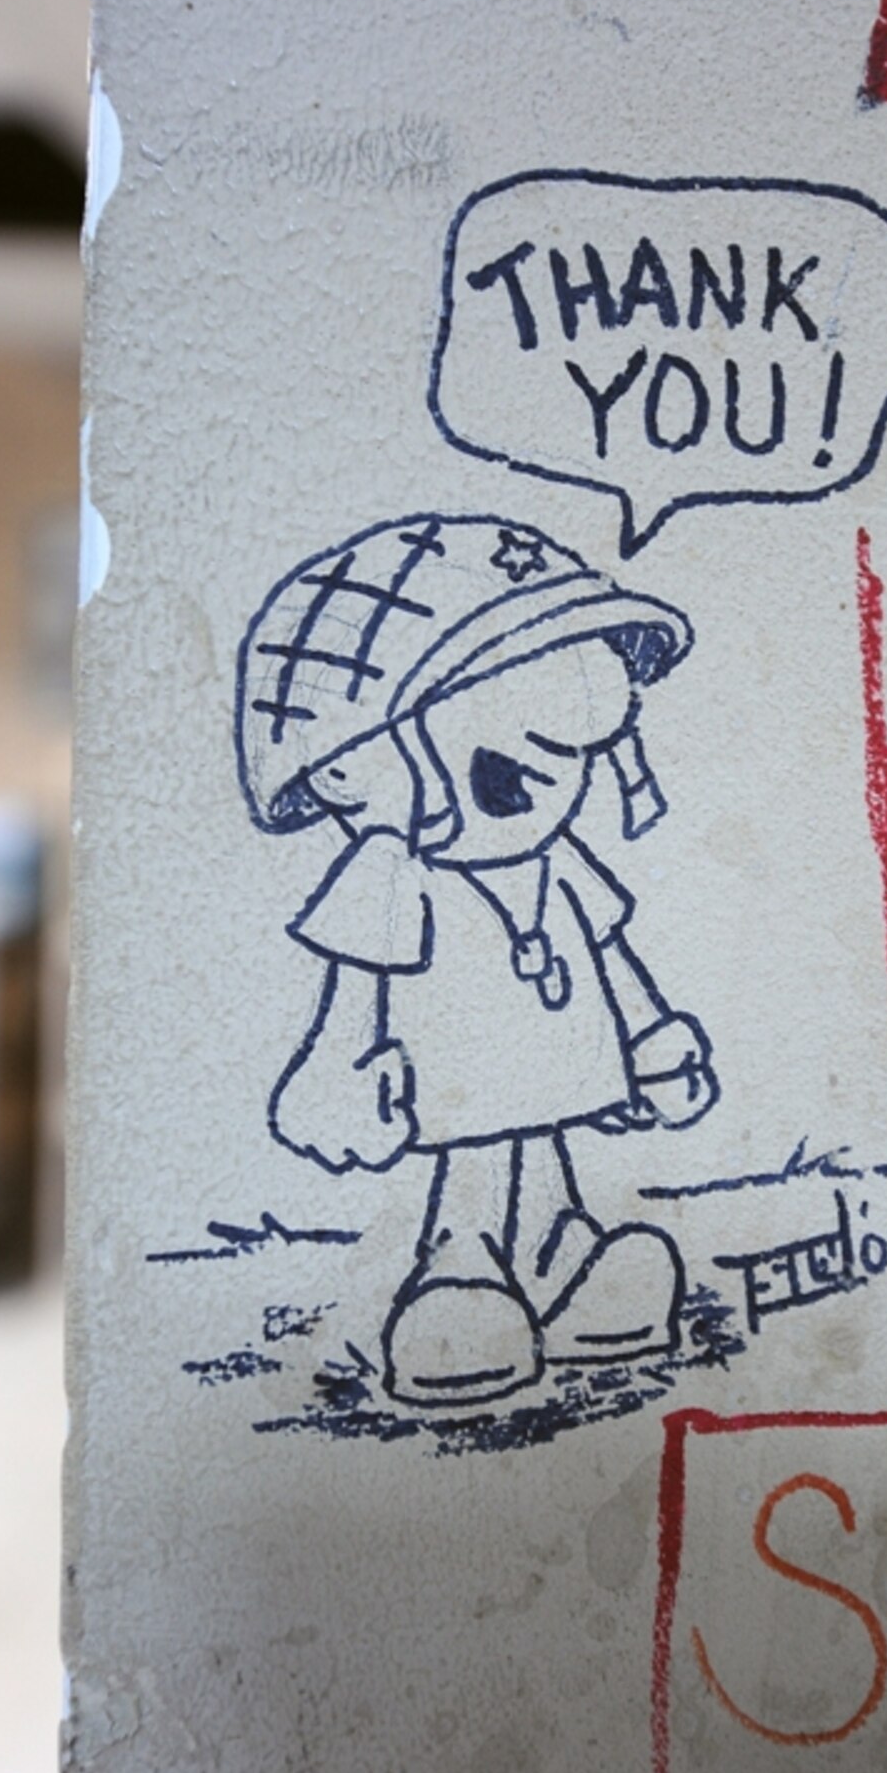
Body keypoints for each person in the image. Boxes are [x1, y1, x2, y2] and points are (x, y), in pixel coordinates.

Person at [236, 512, 718, 1406]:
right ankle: (461, 1268)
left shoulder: (556, 864)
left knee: (545, 1151)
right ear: (348, 768)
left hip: (563, 1067)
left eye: (572, 759)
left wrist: (651, 1037)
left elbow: (611, 955)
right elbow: (356, 993)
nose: (552, 789)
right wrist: (337, 1073)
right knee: (480, 1160)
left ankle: (565, 1257)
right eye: (509, 765)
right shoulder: (388, 876)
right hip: (457, 1086)